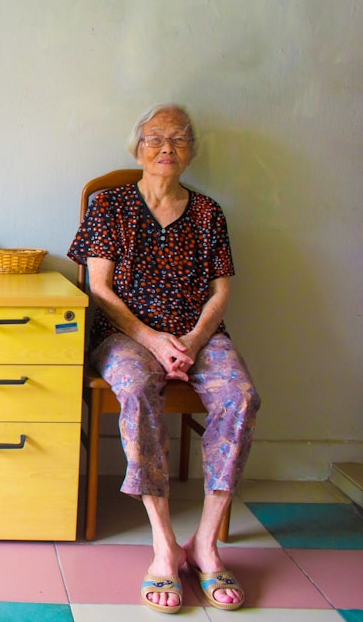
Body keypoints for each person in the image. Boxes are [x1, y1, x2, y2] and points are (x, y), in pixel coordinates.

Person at [68, 103, 261, 614]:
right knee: (134, 387)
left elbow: (221, 293)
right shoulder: (109, 205)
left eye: (178, 139)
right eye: (155, 138)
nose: (166, 148)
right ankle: (162, 546)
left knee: (240, 397)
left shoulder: (207, 212)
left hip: (199, 335)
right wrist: (154, 340)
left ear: (192, 150)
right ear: (138, 147)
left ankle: (204, 544)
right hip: (126, 335)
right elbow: (99, 288)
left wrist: (194, 341)